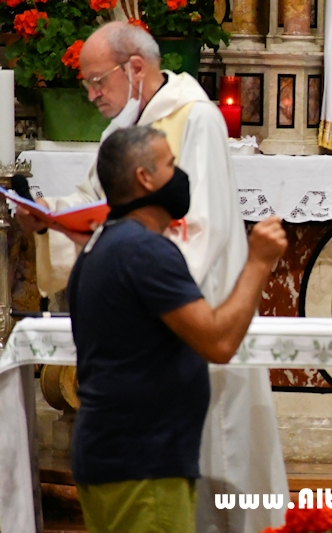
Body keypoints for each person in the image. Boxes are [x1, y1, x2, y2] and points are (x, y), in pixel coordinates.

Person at [16, 22, 289, 531]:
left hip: (192, 313)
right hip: (148, 336)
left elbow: (202, 223)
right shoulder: (123, 131)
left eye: (98, 81)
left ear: (134, 69)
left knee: (212, 465)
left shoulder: (197, 117)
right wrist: (50, 216)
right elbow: (98, 206)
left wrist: (148, 284)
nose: (92, 94)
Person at [69, 126, 287, 533]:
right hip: (142, 462)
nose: (180, 174)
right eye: (170, 164)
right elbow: (219, 343)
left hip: (111, 454)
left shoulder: (102, 245)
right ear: (144, 178)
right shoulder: (144, 250)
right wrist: (258, 262)